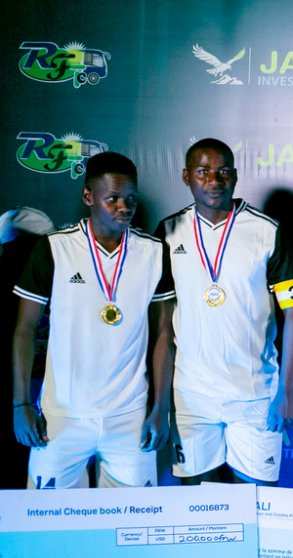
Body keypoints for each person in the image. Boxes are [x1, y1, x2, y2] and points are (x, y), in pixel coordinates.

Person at [12, 152, 174, 488]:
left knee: (133, 519)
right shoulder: (54, 248)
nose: (124, 207)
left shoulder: (155, 252)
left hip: (129, 416)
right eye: (112, 198)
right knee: (49, 517)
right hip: (62, 416)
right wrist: (21, 403)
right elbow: (24, 330)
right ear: (88, 197)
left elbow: (163, 334)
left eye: (130, 199)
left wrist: (160, 409)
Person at [155, 138, 293, 486]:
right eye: (203, 172)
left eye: (223, 171)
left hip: (255, 393)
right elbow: (162, 326)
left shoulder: (266, 231)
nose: (214, 180)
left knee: (259, 500)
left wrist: (287, 390)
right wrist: (161, 402)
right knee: (197, 503)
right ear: (186, 177)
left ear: (236, 176)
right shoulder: (168, 231)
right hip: (192, 396)